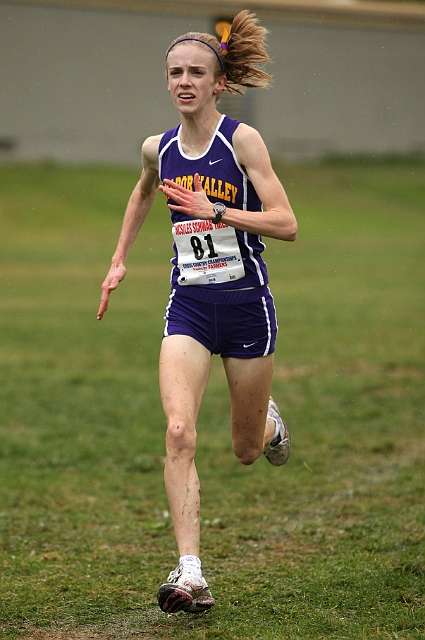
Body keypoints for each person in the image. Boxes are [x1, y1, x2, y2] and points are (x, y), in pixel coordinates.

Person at [97, 10, 297, 614]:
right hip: (188, 307)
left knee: (243, 449)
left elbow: (286, 224)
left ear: (216, 82)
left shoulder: (241, 141)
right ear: (167, 81)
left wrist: (216, 212)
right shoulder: (157, 147)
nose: (185, 81)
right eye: (176, 73)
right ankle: (190, 574)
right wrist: (119, 259)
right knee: (179, 432)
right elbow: (141, 191)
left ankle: (267, 422)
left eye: (197, 73)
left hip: (245, 307)